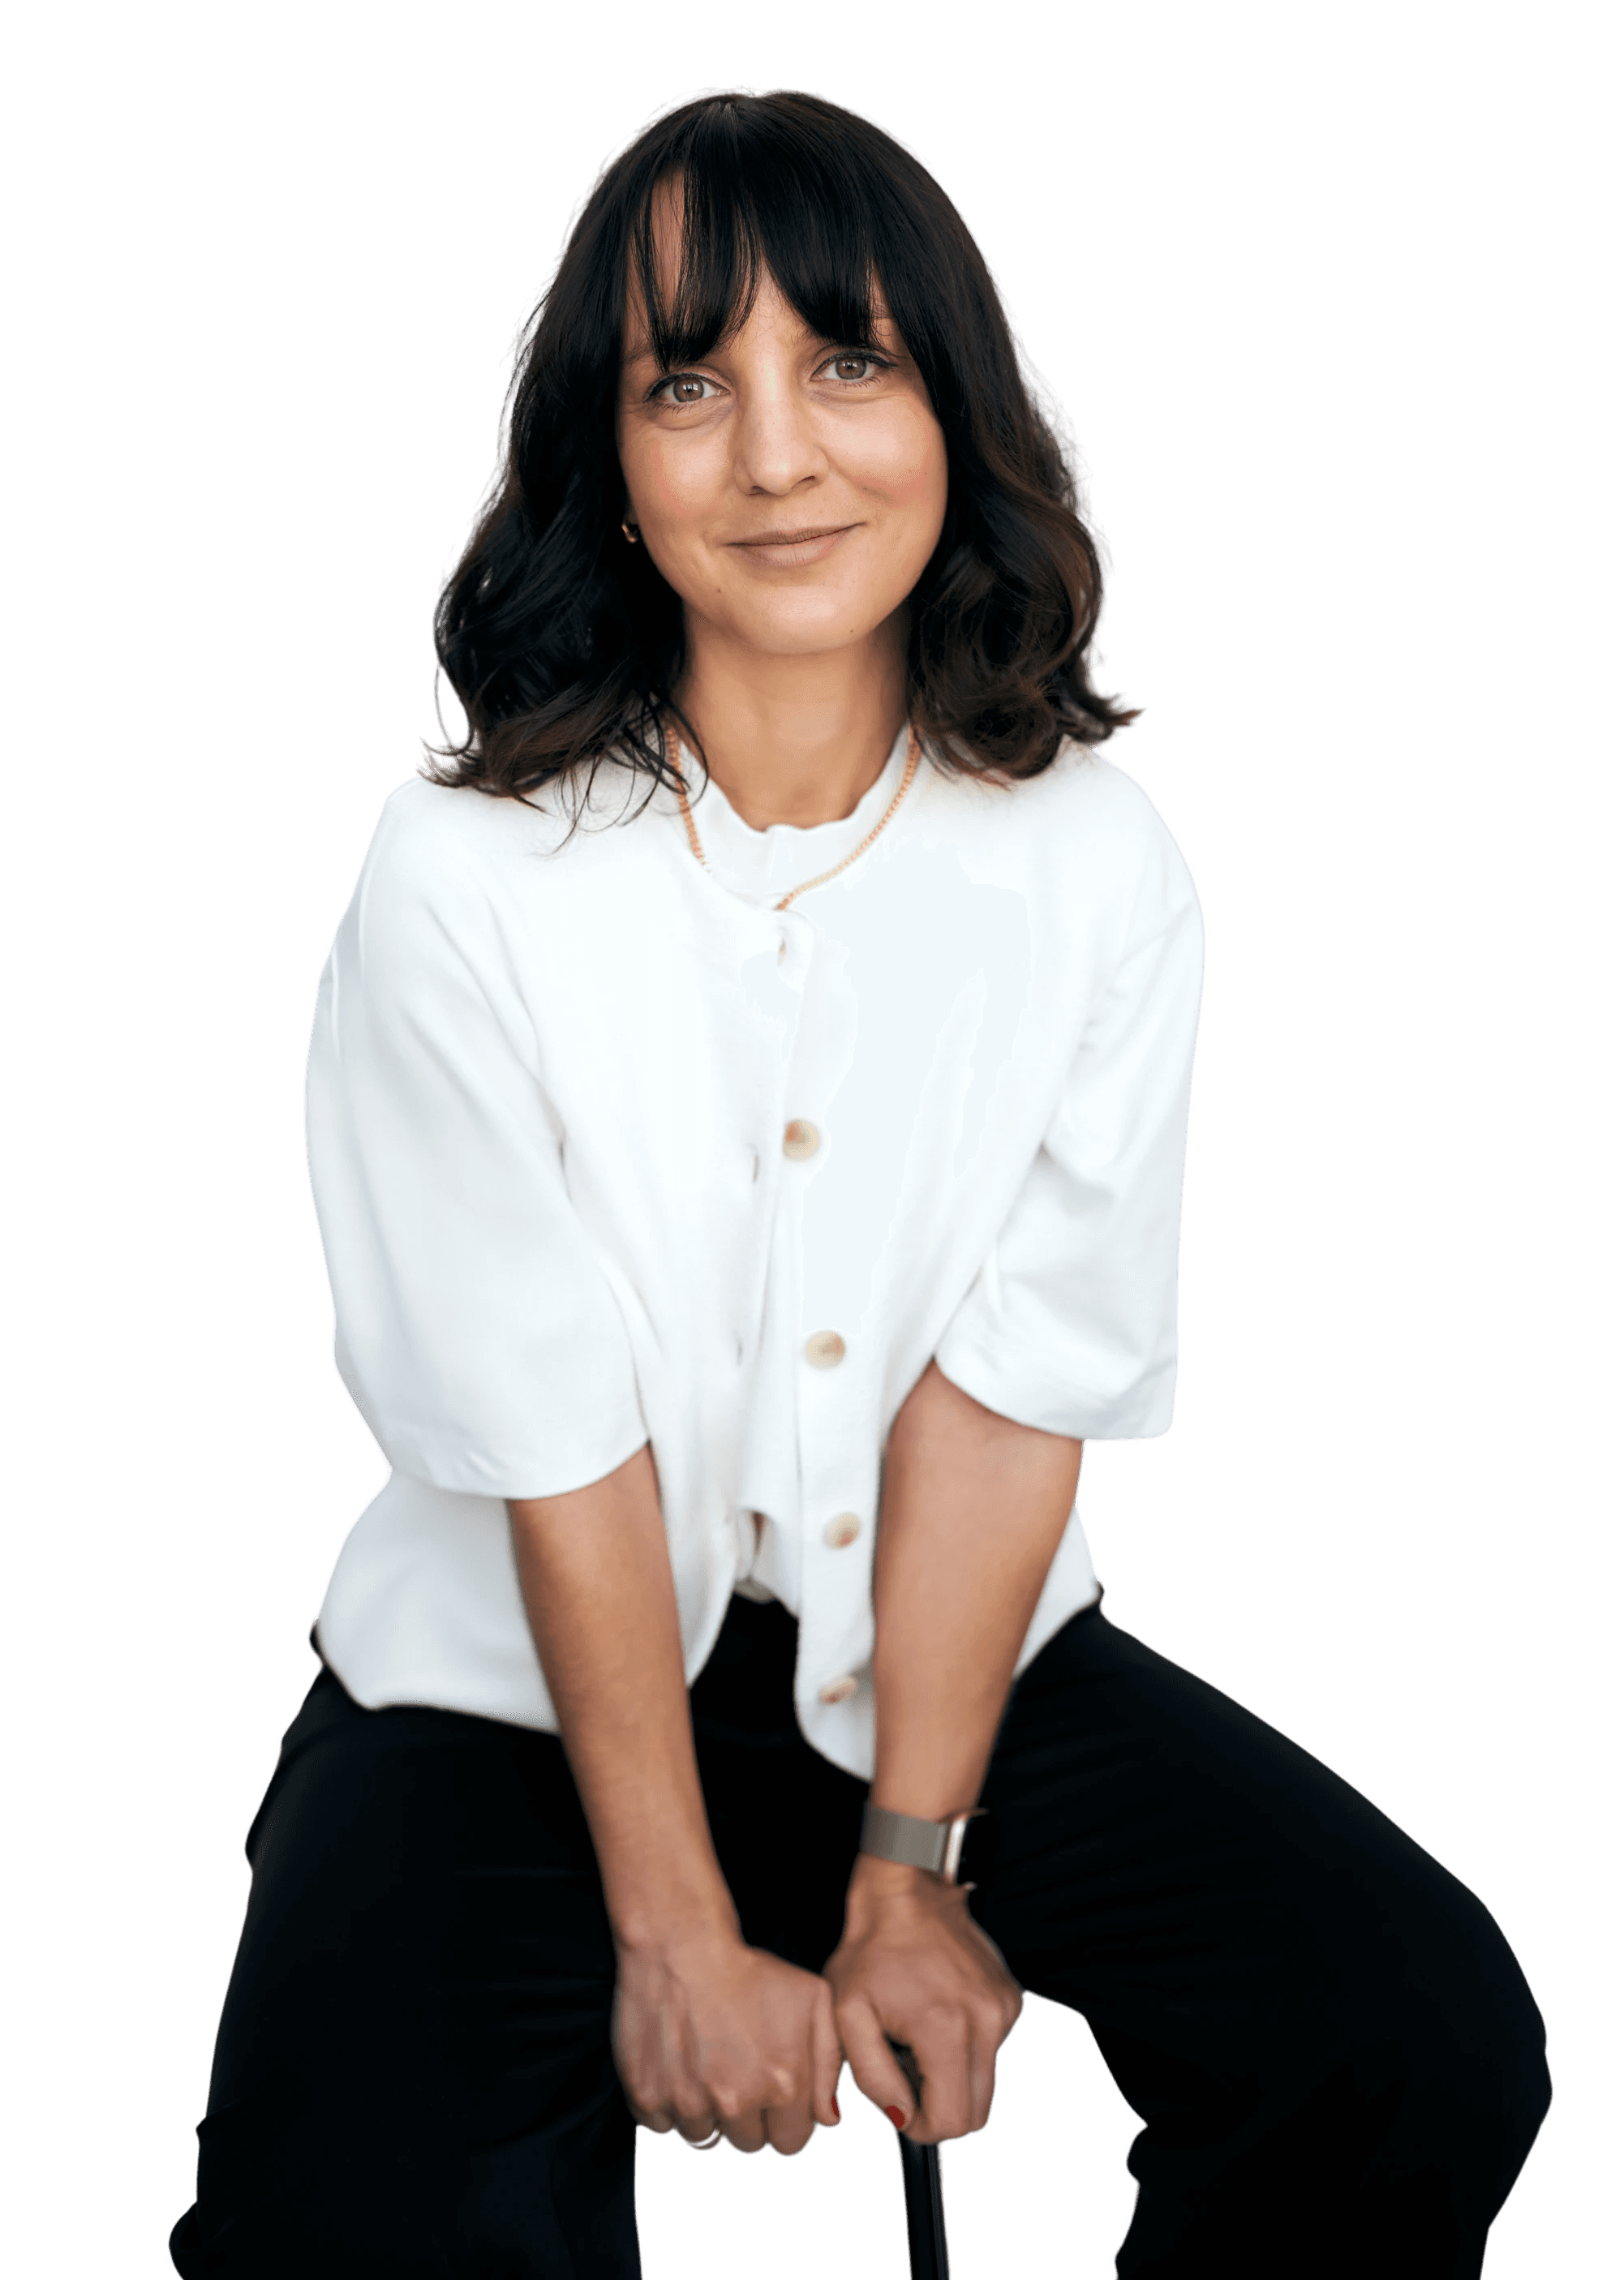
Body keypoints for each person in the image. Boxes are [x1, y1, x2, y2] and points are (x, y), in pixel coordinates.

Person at [168, 84, 1550, 2279]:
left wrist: (911, 1862)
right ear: (606, 470)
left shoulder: (1095, 864)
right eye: (688, 383)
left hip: (938, 1650)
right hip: (519, 1672)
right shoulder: (463, 874)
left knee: (1413, 2033)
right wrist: (682, 1935)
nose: (778, 453)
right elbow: (553, 1440)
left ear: (956, 412)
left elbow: (1007, 1398)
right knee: (345, 2231)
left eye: (851, 363)